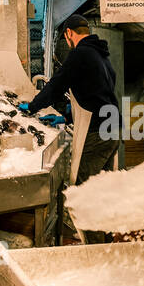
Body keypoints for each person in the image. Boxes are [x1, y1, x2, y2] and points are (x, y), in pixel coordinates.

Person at [21, 12, 120, 185]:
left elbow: (57, 85)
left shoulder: (80, 53)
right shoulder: (102, 56)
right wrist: (66, 117)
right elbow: (96, 95)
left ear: (69, 33)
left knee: (84, 187)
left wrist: (32, 107)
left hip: (97, 132)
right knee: (103, 186)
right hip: (111, 129)